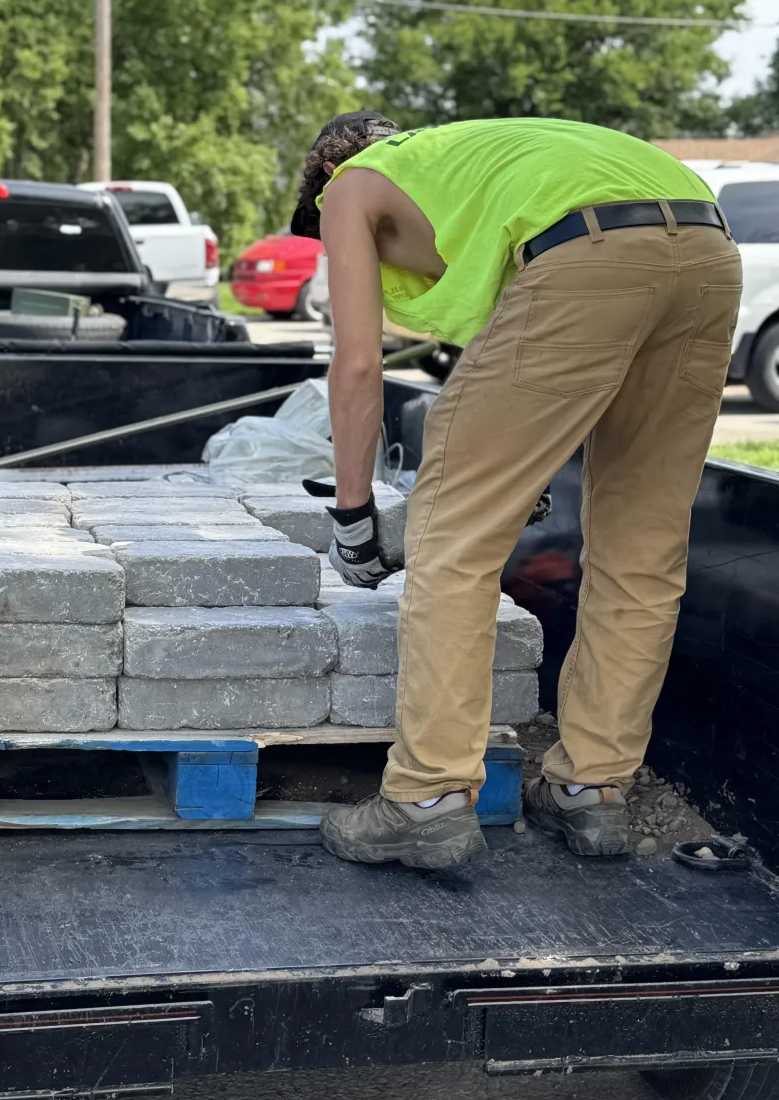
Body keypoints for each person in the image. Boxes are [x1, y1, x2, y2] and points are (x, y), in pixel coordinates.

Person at [293, 113, 742, 870]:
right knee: (643, 547)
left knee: (452, 540)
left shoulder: (350, 186)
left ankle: (425, 799)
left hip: (588, 255)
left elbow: (359, 370)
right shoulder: (485, 160)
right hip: (707, 253)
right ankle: (591, 790)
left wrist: (352, 516)